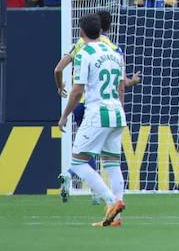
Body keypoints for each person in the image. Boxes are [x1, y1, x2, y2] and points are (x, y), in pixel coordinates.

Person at [57, 12, 128, 228]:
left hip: (98, 112)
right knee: (113, 164)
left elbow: (78, 91)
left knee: (78, 163)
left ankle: (112, 201)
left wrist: (64, 116)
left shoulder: (84, 53)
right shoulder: (115, 52)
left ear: (81, 31)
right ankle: (114, 218)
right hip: (117, 112)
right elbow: (122, 86)